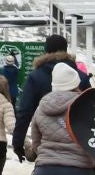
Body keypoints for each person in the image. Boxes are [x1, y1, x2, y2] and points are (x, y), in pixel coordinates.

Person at [24, 63, 93, 175]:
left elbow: (36, 142)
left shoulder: (42, 107)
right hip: (79, 171)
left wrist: (46, 156)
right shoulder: (86, 104)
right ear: (76, 82)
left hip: (46, 172)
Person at [10, 33, 81, 161]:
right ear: (66, 50)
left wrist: (18, 143)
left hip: (46, 149)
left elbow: (24, 111)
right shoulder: (80, 76)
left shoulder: (35, 77)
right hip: (77, 150)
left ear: (46, 51)